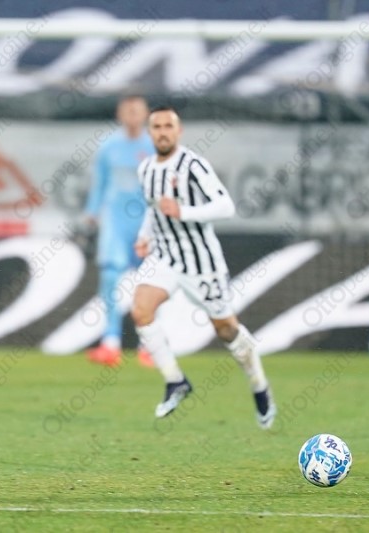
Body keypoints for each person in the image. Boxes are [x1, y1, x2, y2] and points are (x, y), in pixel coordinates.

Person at [130, 105, 276, 428]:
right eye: (157, 127)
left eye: (168, 126)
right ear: (150, 132)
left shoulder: (193, 165)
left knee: (226, 330)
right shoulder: (146, 170)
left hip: (201, 262)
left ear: (179, 131)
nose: (163, 132)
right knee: (140, 309)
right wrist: (144, 235)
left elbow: (226, 206)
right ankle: (175, 381)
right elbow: (154, 209)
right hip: (165, 255)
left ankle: (259, 385)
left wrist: (183, 212)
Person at [84, 95, 155, 368]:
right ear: (120, 114)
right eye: (128, 111)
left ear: (145, 114)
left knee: (152, 281)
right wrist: (92, 212)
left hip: (147, 221)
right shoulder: (109, 146)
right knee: (110, 276)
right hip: (115, 220)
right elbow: (100, 182)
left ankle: (150, 344)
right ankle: (111, 343)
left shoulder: (154, 145)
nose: (132, 116)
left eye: (137, 111)